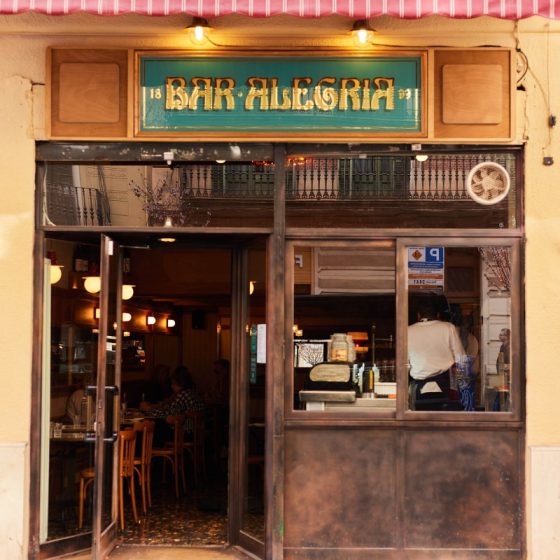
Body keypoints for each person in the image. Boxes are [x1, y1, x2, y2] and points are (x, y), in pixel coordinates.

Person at [408, 300, 465, 410]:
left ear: (418, 315)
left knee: (420, 418)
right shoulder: (448, 327)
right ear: (438, 315)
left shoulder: (408, 331)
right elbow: (461, 358)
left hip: (419, 387)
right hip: (446, 385)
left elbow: (405, 362)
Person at [140, 366, 205, 442]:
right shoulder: (194, 393)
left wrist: (148, 409)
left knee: (155, 429)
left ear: (179, 384)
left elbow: (167, 414)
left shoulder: (182, 395)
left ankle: (147, 448)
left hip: (184, 434)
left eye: (173, 384)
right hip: (195, 433)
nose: (171, 386)